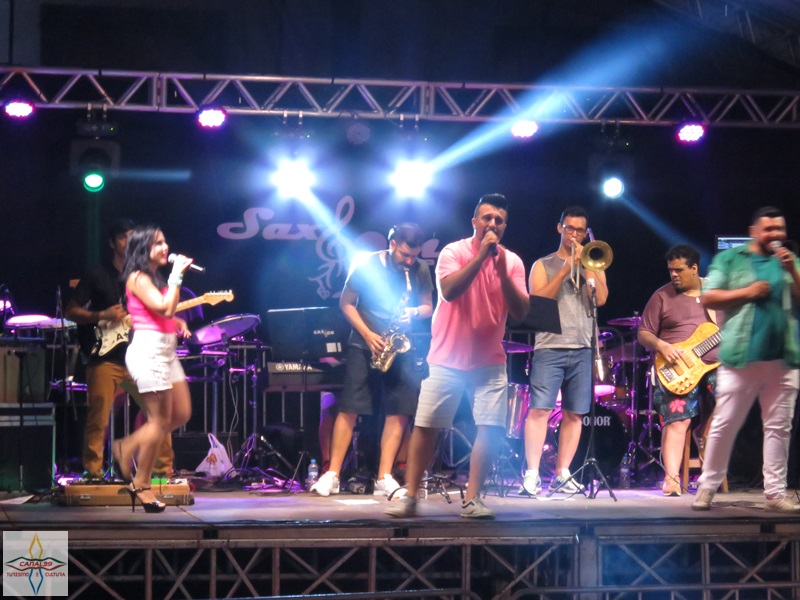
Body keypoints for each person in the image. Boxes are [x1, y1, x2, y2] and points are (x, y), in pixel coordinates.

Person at [387, 194, 529, 519]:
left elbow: (521, 311)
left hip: (489, 359)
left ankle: (472, 499)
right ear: (474, 222)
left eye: (499, 220)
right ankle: (411, 496)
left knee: (491, 428)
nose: (492, 224)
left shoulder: (513, 262)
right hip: (446, 356)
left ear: (505, 227)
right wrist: (481, 257)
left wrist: (503, 273)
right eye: (487, 218)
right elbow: (450, 291)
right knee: (427, 425)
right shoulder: (453, 252)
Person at [311, 223, 433, 497]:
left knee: (398, 411)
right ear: (392, 244)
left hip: (400, 347)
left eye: (414, 256)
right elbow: (346, 303)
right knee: (349, 408)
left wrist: (413, 312)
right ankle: (332, 475)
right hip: (363, 344)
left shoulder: (420, 269)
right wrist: (367, 335)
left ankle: (384, 477)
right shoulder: (367, 265)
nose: (409, 261)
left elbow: (428, 307)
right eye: (405, 255)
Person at [693, 206, 800, 512]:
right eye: (769, 229)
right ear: (754, 232)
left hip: (783, 358)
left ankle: (775, 494)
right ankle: (707, 488)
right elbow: (709, 296)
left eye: (779, 229)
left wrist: (792, 271)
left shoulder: (789, 261)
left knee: (779, 428)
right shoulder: (730, 259)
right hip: (740, 357)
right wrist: (749, 291)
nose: (775, 235)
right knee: (724, 424)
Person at [65, 219, 174, 481]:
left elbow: (161, 310)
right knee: (98, 417)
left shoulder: (147, 276)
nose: (130, 242)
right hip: (106, 357)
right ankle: (93, 473)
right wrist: (100, 315)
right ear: (112, 243)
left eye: (133, 237)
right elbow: (71, 310)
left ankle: (163, 474)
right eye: (124, 237)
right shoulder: (97, 274)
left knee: (159, 414)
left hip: (141, 356)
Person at [521, 206, 608, 496]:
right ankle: (532, 475)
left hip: (583, 347)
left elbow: (601, 299)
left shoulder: (594, 263)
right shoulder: (542, 264)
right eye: (570, 229)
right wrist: (565, 268)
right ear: (560, 228)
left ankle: (562, 474)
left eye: (580, 230)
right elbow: (538, 299)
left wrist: (588, 267)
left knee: (575, 414)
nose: (574, 235)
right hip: (550, 346)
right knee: (539, 410)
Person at [114, 225, 194, 512]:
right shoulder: (137, 278)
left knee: (181, 413)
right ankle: (141, 484)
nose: (165, 247)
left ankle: (127, 446)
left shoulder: (154, 279)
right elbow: (165, 308)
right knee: (158, 422)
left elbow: (164, 313)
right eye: (157, 243)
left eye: (164, 241)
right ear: (142, 249)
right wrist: (177, 274)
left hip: (166, 350)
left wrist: (176, 323)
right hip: (149, 351)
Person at [637, 244, 718, 497]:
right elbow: (643, 333)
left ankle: (705, 431)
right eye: (671, 270)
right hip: (675, 367)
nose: (674, 275)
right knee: (678, 419)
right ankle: (671, 479)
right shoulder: (661, 296)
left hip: (715, 364)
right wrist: (663, 346)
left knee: (735, 396)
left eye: (679, 270)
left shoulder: (715, 292)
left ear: (694, 268)